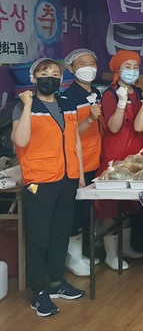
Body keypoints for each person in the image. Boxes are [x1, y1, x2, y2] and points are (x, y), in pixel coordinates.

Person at [12, 58, 86, 317]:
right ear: (34, 78)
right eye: (44, 73)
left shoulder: (67, 104)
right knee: (39, 238)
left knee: (60, 235)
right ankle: (39, 293)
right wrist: (28, 106)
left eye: (55, 74)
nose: (50, 78)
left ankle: (57, 283)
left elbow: (75, 139)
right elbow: (20, 140)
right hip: (39, 181)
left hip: (67, 179)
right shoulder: (23, 106)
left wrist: (80, 173)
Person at [96, 49, 143, 271]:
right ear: (117, 70)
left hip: (136, 154)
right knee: (111, 206)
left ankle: (125, 248)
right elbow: (113, 127)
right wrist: (120, 103)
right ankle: (111, 254)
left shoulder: (138, 92)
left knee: (129, 205)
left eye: (135, 67)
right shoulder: (111, 94)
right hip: (115, 155)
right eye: (127, 67)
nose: (132, 71)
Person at [62, 48, 102, 276]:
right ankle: (73, 258)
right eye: (82, 63)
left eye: (92, 63)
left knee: (87, 210)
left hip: (95, 158)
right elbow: (68, 134)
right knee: (75, 212)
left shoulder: (95, 92)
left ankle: (80, 253)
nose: (88, 68)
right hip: (78, 162)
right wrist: (90, 119)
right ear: (71, 69)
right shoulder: (68, 97)